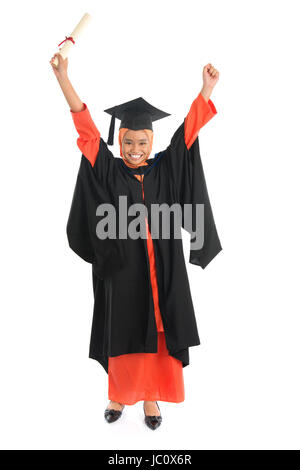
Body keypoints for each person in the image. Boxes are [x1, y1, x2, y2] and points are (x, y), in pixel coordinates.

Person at [50, 52, 222, 430]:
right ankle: (118, 394)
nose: (134, 150)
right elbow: (86, 129)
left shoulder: (164, 168)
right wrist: (64, 77)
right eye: (128, 143)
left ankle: (150, 397)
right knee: (123, 328)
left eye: (141, 142)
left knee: (160, 329)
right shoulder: (108, 170)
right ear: (122, 139)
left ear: (150, 139)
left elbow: (187, 134)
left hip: (162, 268)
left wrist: (205, 89)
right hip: (122, 270)